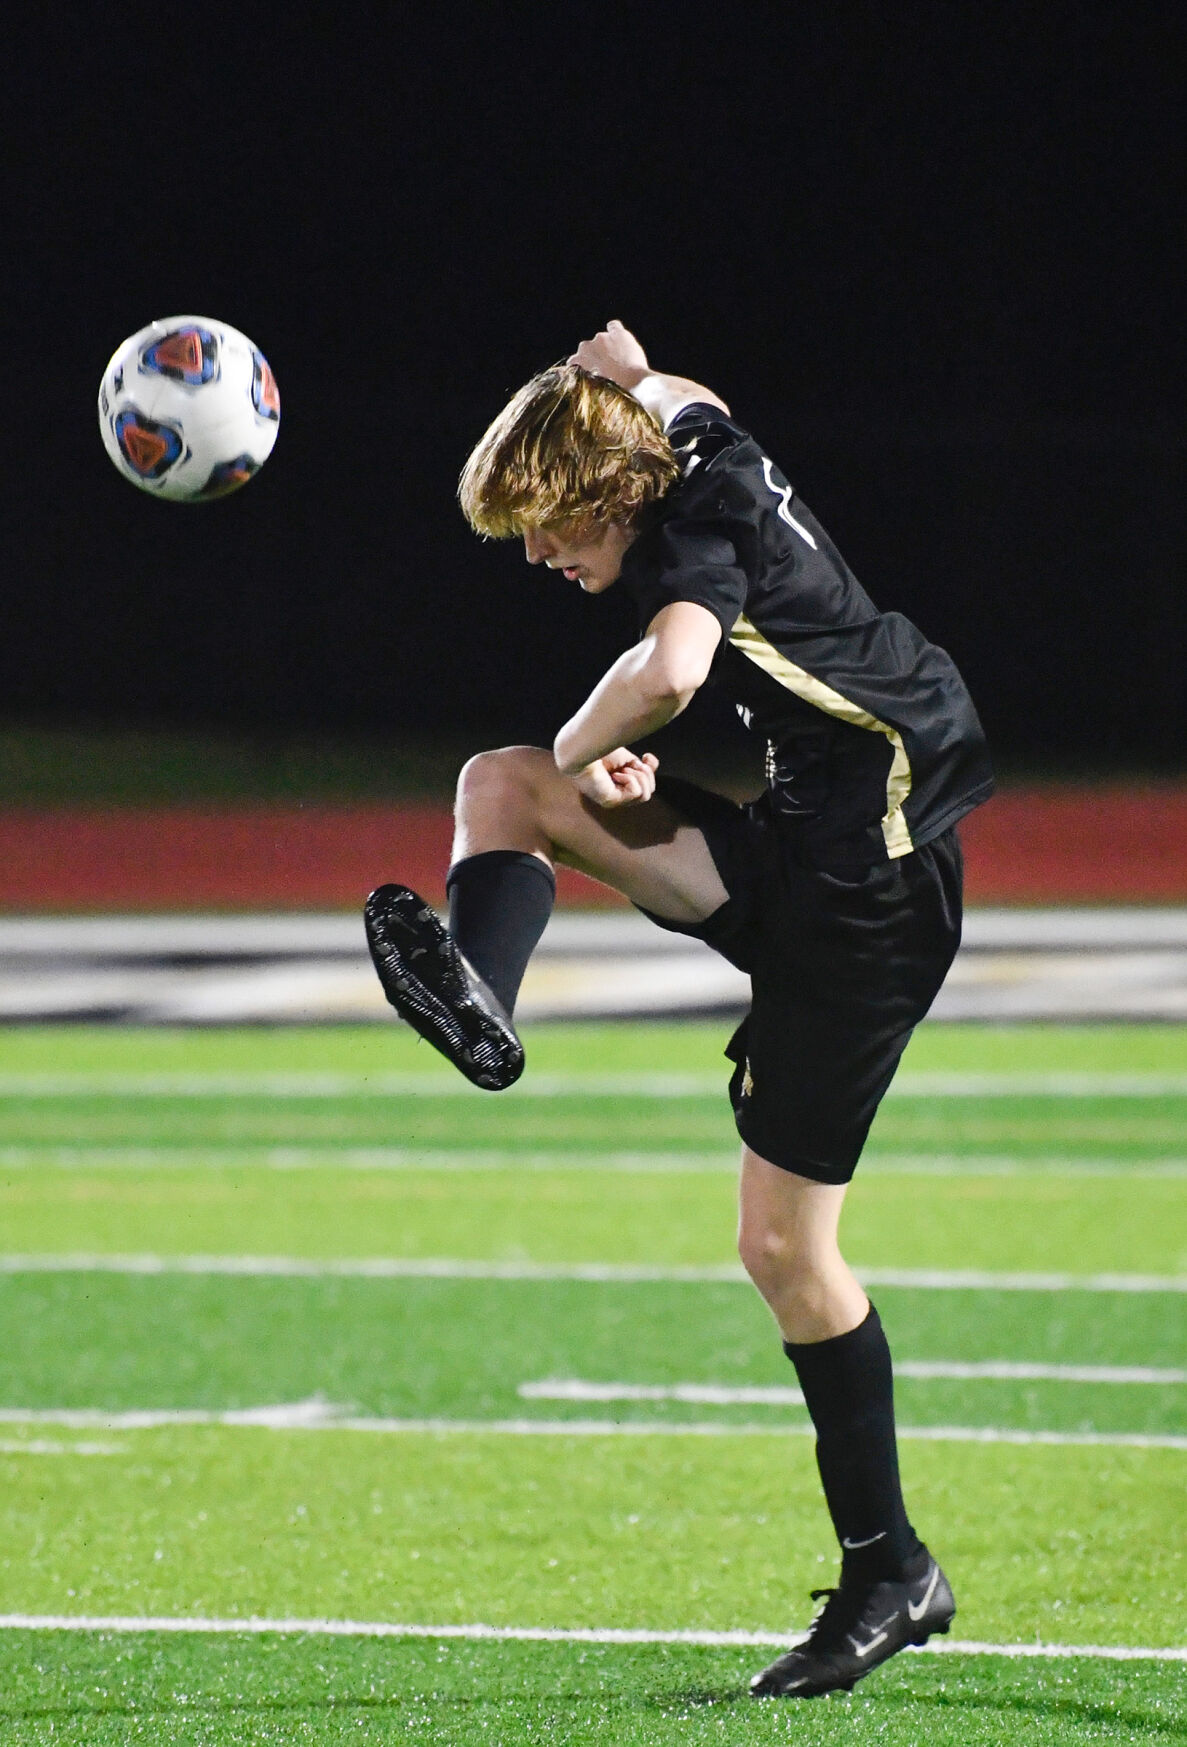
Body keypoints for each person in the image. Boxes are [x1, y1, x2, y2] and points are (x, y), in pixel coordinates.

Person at [364, 321, 994, 1698]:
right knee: (503, 786)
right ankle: (481, 995)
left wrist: (611, 740)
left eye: (544, 527)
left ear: (602, 490)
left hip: (869, 893)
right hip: (807, 844)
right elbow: (683, 390)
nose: (541, 558)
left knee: (783, 1251)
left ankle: (894, 1570)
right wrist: (626, 372)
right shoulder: (687, 436)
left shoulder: (685, 531)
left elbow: (669, 670)